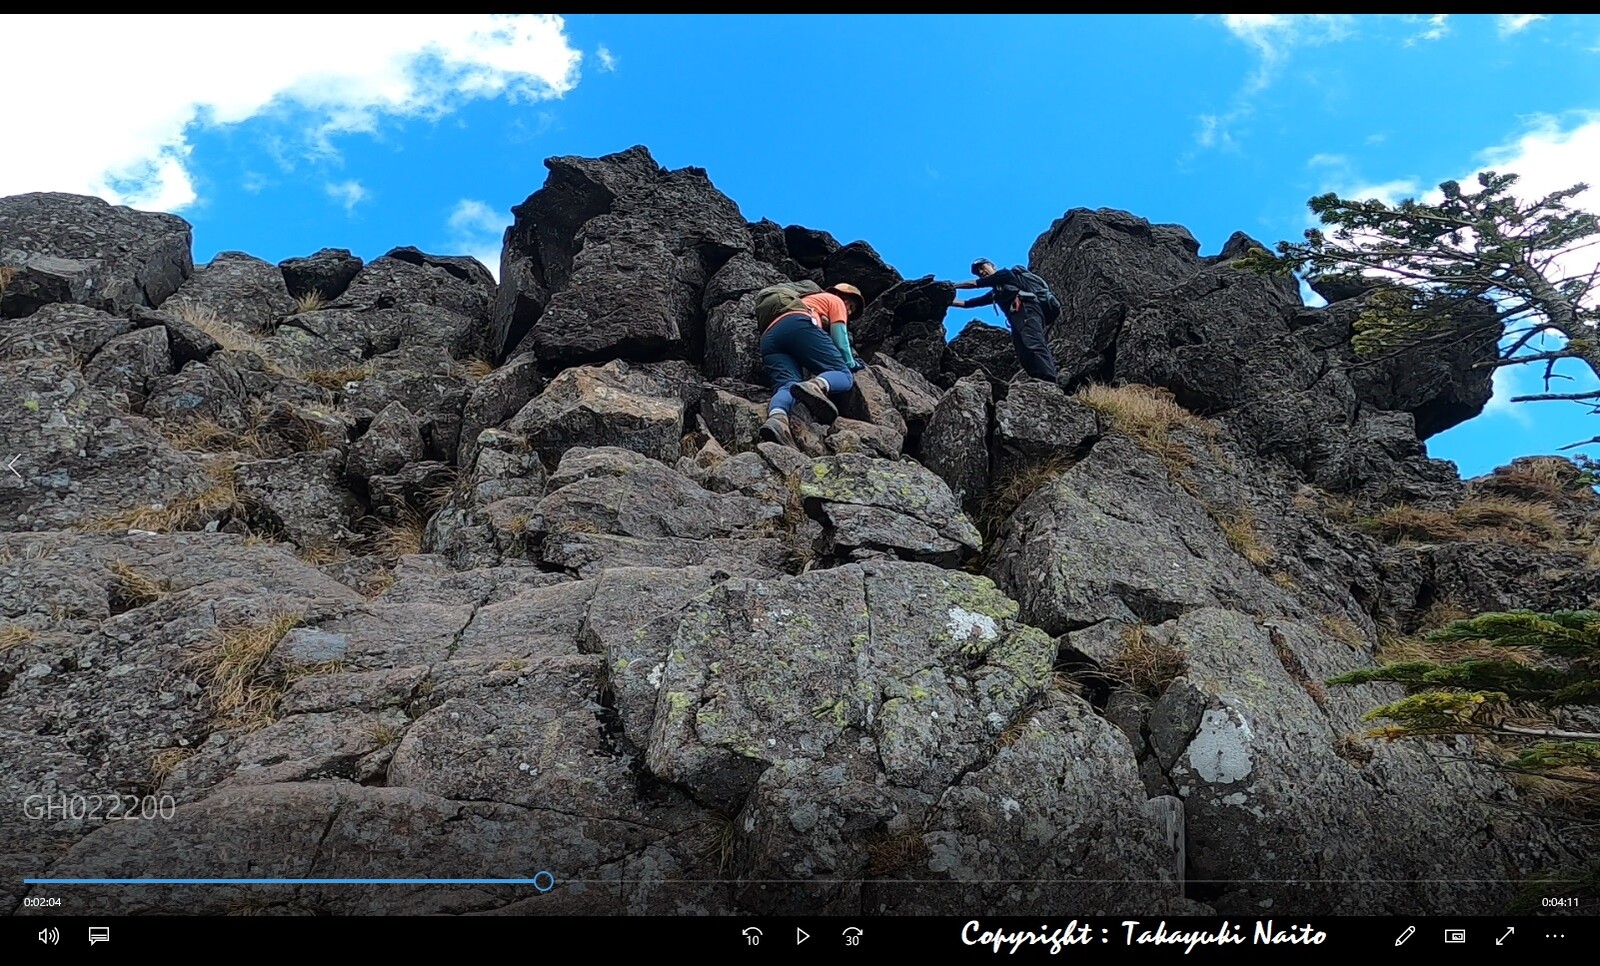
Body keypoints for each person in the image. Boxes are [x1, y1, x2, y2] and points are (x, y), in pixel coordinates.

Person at [758, 282, 867, 448]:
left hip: (769, 336)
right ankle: (816, 386)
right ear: (840, 295)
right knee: (844, 375)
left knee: (787, 385)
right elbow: (840, 339)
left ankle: (777, 418)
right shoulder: (835, 300)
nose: (849, 311)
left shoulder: (805, 300)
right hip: (798, 323)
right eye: (850, 305)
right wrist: (851, 363)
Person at [951, 258, 1060, 382]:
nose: (981, 272)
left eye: (982, 267)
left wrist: (952, 285)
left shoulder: (1005, 274)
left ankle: (1049, 377)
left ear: (993, 266)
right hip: (1016, 320)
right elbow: (968, 303)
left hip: (1028, 310)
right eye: (978, 272)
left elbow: (975, 284)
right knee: (1023, 353)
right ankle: (1038, 379)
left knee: (1034, 342)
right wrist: (947, 301)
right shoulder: (995, 293)